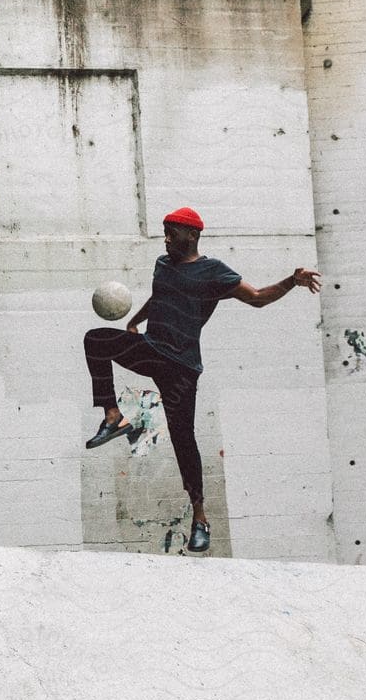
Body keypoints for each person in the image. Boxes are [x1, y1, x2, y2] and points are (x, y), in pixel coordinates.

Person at [83, 206, 322, 553]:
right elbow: (161, 294)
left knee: (184, 440)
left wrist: (291, 281)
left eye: (171, 233)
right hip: (152, 349)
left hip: (181, 367)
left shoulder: (214, 272)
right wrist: (136, 319)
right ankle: (112, 415)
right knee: (95, 341)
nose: (165, 239)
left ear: (192, 235)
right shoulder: (162, 264)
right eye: (164, 232)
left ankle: (200, 517)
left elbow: (256, 298)